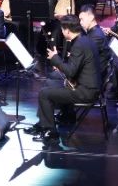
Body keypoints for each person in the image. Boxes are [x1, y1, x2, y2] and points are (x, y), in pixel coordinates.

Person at [26, 15, 101, 144]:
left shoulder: (79, 45)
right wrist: (60, 64)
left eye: (62, 29)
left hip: (85, 91)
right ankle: (42, 124)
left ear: (67, 30)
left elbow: (71, 71)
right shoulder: (84, 40)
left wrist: (55, 59)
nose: (61, 32)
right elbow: (75, 68)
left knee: (44, 94)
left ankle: (51, 132)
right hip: (84, 86)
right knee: (49, 85)